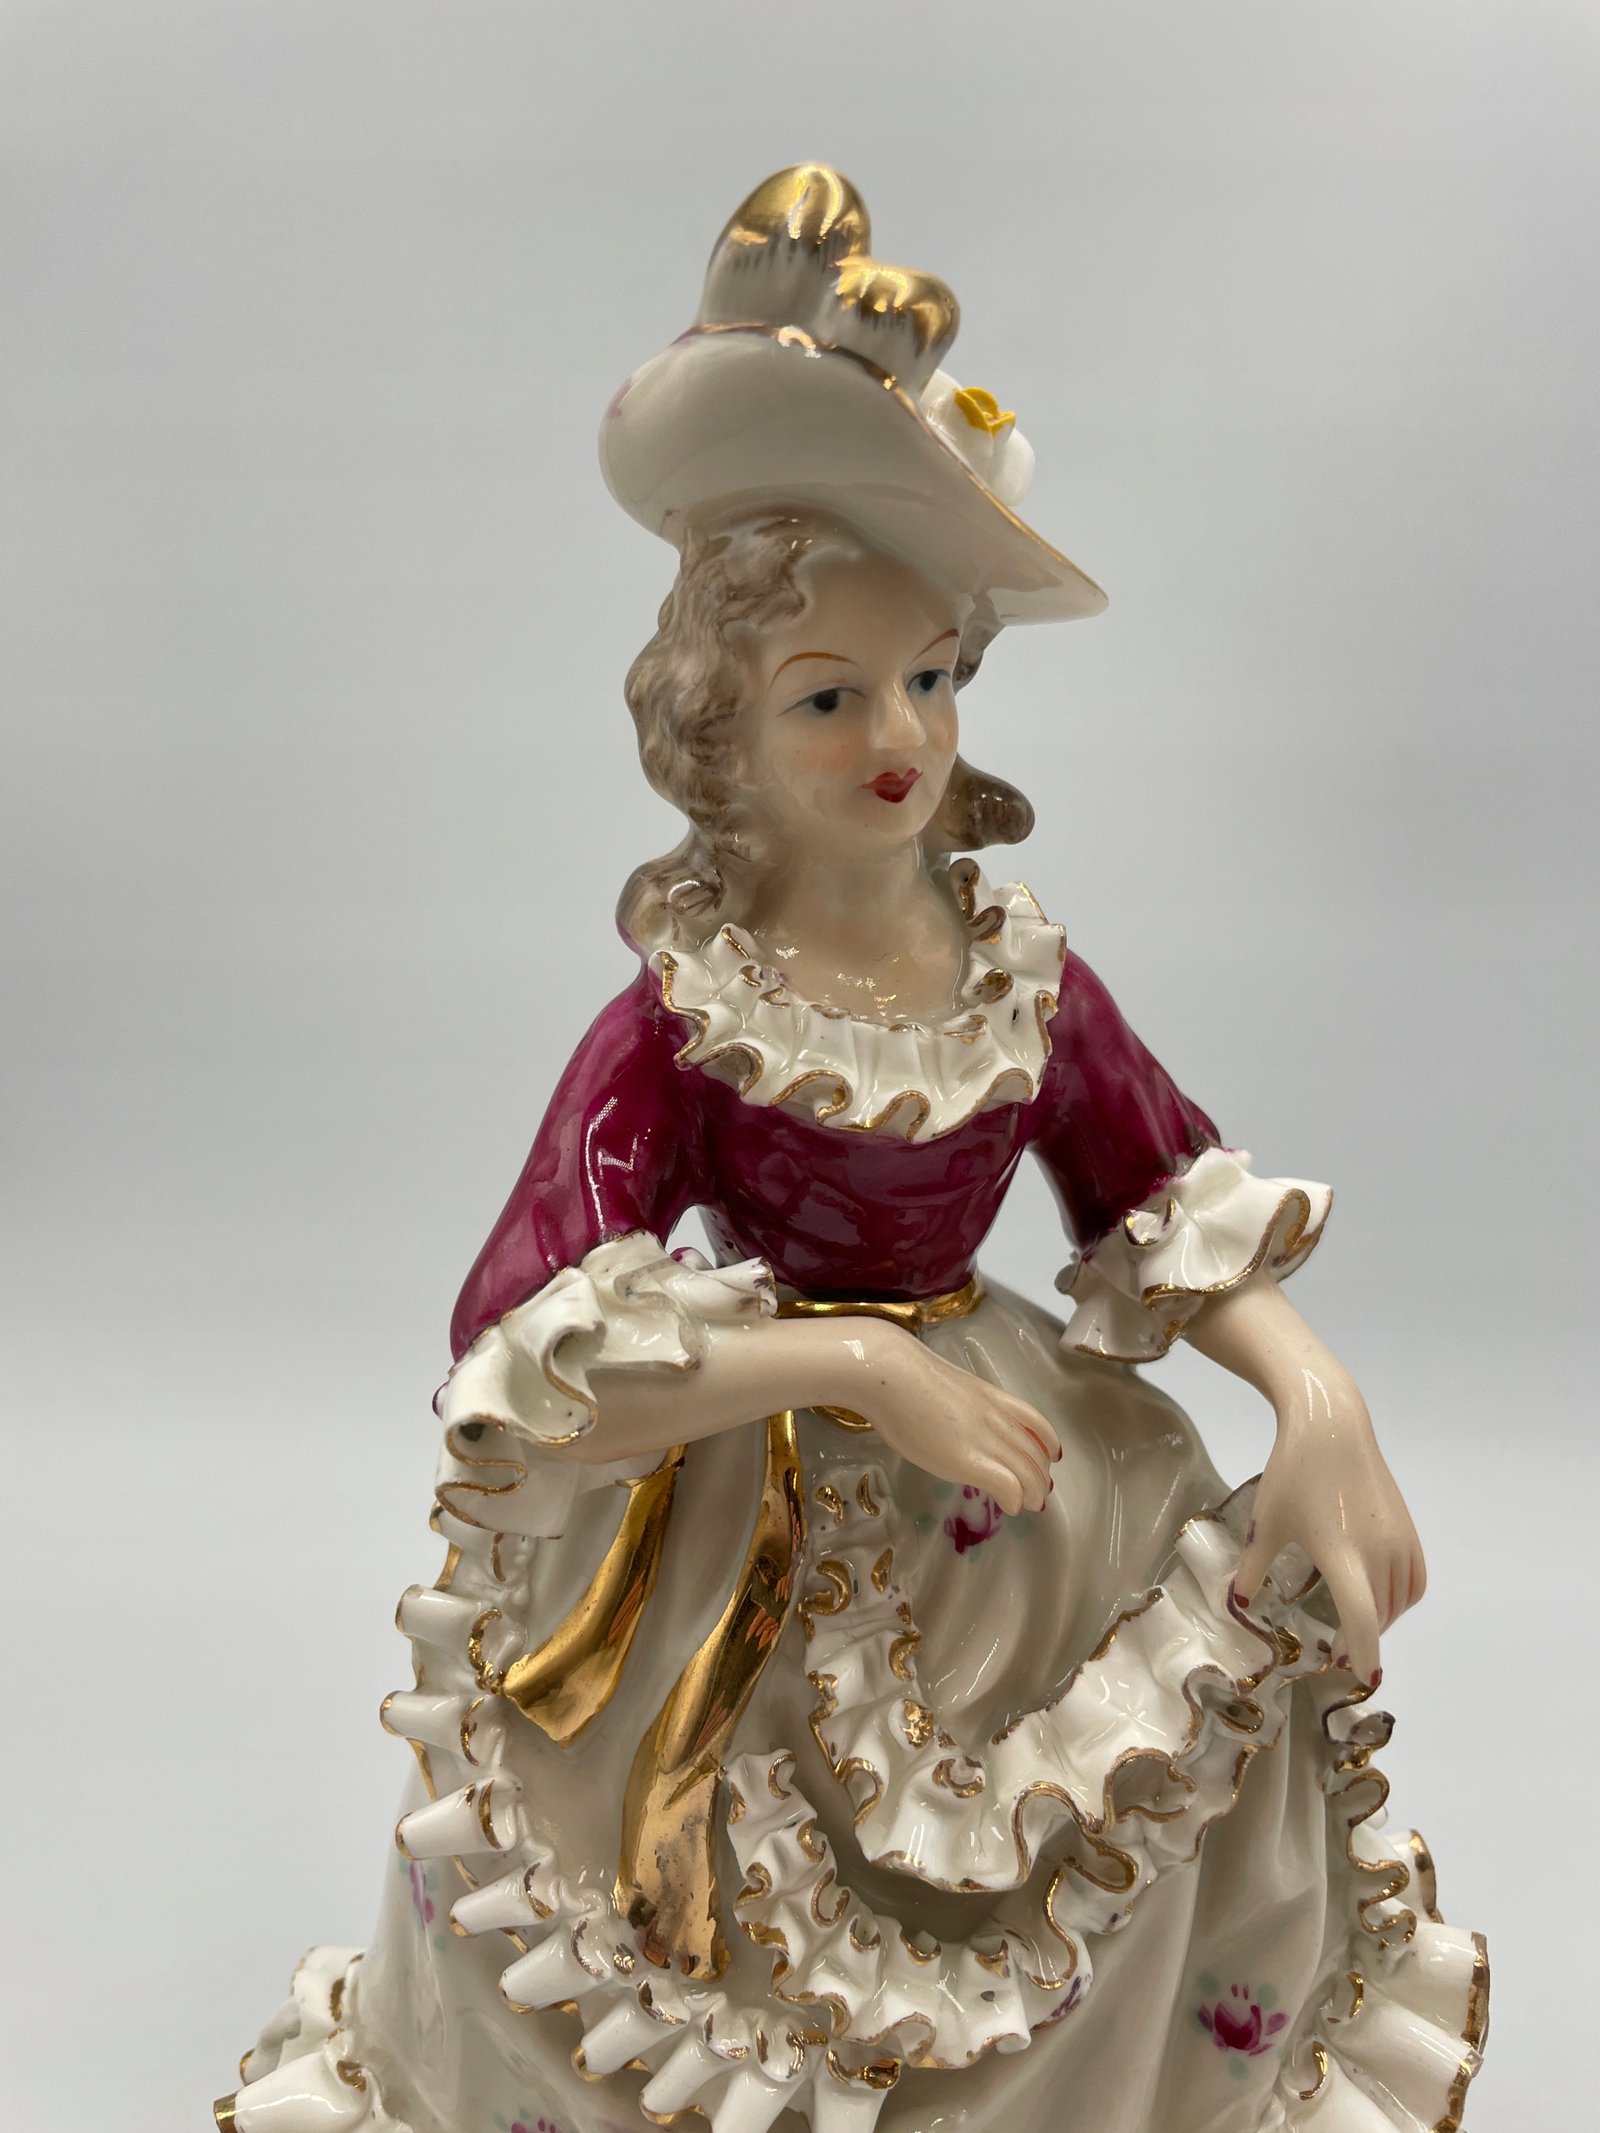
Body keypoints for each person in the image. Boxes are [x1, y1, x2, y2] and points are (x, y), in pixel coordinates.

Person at [219, 164, 1487, 2133]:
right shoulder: (683, 1017)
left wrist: (1315, 1392)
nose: (898, 732)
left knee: (1149, 1766)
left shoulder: (1017, 978)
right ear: (718, 731)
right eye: (828, 694)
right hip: (753, 1491)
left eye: (930, 677)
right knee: (649, 1882)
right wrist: (853, 1364)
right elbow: (527, 1350)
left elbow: (1159, 1198)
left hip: (1025, 1500)